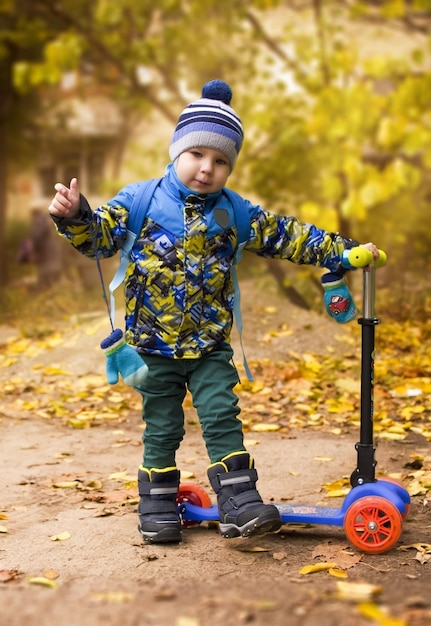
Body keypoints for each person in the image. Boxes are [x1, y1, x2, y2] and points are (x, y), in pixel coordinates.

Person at [48, 79, 380, 545]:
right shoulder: (140, 201)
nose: (207, 168)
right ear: (177, 151)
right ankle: (157, 503)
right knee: (162, 426)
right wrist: (75, 215)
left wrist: (343, 251)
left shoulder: (234, 213)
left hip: (208, 346)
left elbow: (287, 234)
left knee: (222, 415)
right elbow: (98, 239)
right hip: (152, 349)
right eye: (198, 155)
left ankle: (240, 503)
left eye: (221, 160)